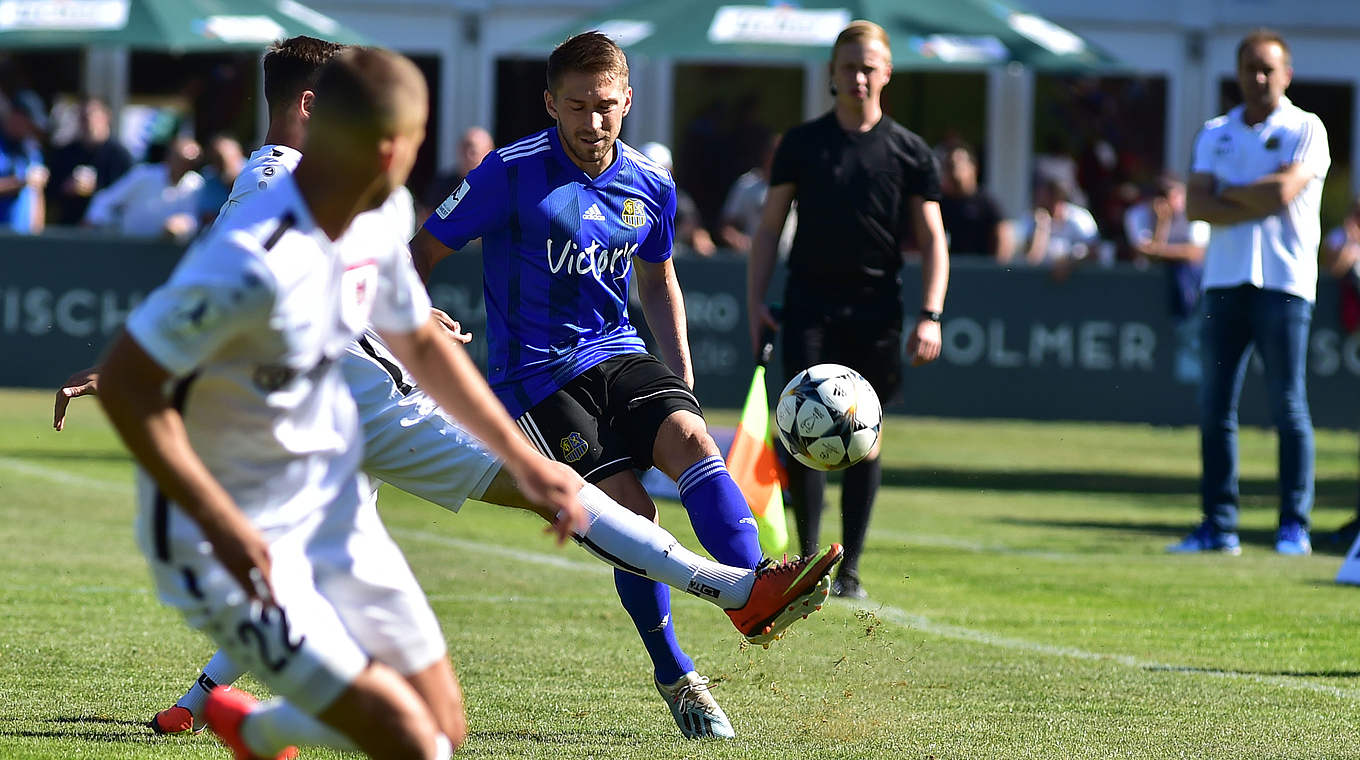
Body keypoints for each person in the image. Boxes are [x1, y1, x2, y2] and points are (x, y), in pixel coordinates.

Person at [59, 35, 837, 744]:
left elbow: (384, 314)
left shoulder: (334, 192)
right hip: (370, 413)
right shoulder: (274, 183)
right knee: (552, 499)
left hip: (349, 422)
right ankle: (736, 587)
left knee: (413, 688)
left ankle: (223, 713)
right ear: (311, 108)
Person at [413, 31, 842, 739]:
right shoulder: (507, 172)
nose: (592, 122)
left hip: (619, 351)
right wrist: (416, 309)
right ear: (551, 103)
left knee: (694, 437)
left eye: (605, 106)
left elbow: (658, 277)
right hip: (535, 380)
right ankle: (675, 672)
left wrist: (680, 376)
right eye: (576, 107)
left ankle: (756, 588)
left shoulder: (652, 183)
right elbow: (421, 250)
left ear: (628, 100)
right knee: (632, 519)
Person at [745, 20, 949, 600]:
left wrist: (930, 314)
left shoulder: (910, 151)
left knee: (865, 437)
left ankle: (851, 571)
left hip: (876, 310)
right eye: (846, 67)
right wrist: (756, 300)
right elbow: (768, 229)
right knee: (802, 433)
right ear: (830, 76)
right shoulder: (802, 145)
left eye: (868, 67)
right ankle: (808, 563)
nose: (857, 77)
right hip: (809, 306)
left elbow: (933, 237)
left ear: (886, 74)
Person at [1170, 28, 1330, 556]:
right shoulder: (1215, 131)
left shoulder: (1307, 127)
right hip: (1224, 282)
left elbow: (1285, 193)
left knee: (1288, 404)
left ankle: (1293, 524)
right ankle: (1219, 525)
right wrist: (1255, 195)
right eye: (1249, 68)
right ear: (1237, 73)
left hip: (1284, 282)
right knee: (1216, 405)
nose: (1258, 78)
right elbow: (1194, 206)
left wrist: (1228, 195)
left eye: (1268, 68)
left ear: (1286, 74)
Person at [1123, 172, 1208, 384]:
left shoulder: (1195, 213)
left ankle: (1186, 324)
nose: (1172, 203)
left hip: (1194, 284)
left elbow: (1196, 253)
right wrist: (1162, 223)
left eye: (1175, 196)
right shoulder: (1137, 214)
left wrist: (1158, 251)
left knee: (1182, 270)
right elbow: (1145, 255)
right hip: (1147, 295)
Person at [82, 135, 204, 239]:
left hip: (172, 256)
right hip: (131, 249)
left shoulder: (197, 184)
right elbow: (105, 200)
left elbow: (196, 220)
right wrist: (95, 226)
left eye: (191, 161)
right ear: (169, 157)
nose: (185, 165)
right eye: (181, 159)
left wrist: (184, 225)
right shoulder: (143, 175)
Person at [46, 96, 133, 225]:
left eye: (90, 116)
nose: (86, 122)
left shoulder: (120, 156)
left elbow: (126, 198)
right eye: (81, 117)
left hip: (105, 232)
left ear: (106, 116)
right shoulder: (64, 153)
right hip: (68, 229)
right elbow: (49, 191)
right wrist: (65, 188)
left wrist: (95, 189)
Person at [718, 132, 795, 257]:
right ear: (767, 155)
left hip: (788, 260)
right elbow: (726, 227)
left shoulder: (797, 186)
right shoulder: (746, 185)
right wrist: (739, 241)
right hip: (754, 258)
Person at [639, 141, 716, 257]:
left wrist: (699, 238)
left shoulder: (681, 201)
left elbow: (696, 231)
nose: (654, 179)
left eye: (660, 171)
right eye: (648, 172)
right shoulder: (622, 198)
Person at [938, 141, 1011, 263]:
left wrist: (998, 269)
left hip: (981, 272)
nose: (953, 171)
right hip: (951, 269)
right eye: (948, 166)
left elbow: (1003, 236)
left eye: (956, 165)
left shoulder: (987, 203)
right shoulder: (941, 204)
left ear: (973, 167)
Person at [1019, 177, 1100, 267]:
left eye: (1048, 201)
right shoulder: (1031, 219)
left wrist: (1069, 262)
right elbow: (1031, 260)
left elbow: (1094, 251)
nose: (1043, 205)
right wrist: (1041, 229)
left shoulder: (1079, 218)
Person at [0, 89, 49, 234]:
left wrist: (37, 237)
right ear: (16, 117)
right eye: (29, 123)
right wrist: (19, 182)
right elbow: (26, 182)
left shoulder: (32, 150)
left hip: (24, 241)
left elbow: (37, 195)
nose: (31, 129)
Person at [419, 125, 493, 215]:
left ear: (489, 154)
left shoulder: (498, 189)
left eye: (473, 152)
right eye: (464, 149)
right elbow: (426, 219)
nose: (468, 155)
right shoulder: (442, 186)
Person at [193, 133, 246, 230]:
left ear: (239, 155)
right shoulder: (210, 179)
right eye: (216, 160)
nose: (221, 166)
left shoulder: (257, 174)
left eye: (225, 160)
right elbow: (207, 217)